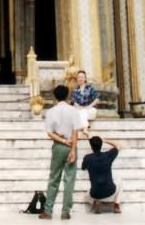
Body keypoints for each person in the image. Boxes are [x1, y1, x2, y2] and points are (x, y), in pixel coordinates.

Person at [39, 84, 81, 220]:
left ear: (55, 96)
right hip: (71, 145)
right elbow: (76, 132)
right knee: (69, 180)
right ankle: (65, 211)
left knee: (54, 178)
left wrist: (62, 142)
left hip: (58, 146)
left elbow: (50, 133)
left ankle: (48, 211)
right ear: (67, 96)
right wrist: (73, 149)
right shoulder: (74, 111)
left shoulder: (51, 112)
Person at [80, 136, 122, 214]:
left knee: (86, 195)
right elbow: (119, 145)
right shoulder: (108, 155)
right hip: (110, 191)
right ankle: (116, 205)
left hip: (95, 193)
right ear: (101, 144)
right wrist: (105, 140)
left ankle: (95, 202)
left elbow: (83, 168)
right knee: (120, 181)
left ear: (91, 146)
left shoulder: (87, 158)